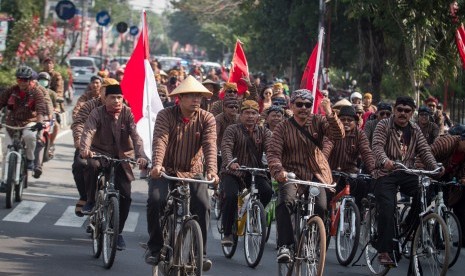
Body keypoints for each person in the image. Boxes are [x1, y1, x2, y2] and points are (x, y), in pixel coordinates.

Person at [145, 76, 219, 271]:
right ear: (180, 97)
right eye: (191, 96)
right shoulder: (165, 115)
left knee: (203, 204)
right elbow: (160, 140)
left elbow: (210, 146)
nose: (196, 100)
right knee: (156, 200)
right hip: (165, 171)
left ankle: (200, 253)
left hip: (193, 172)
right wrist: (157, 165)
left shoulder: (207, 118)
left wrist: (212, 170)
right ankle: (154, 247)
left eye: (199, 96)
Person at [266, 89, 344, 262]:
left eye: (308, 105)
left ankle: (313, 241)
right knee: (285, 201)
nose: (303, 108)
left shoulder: (318, 121)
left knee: (321, 205)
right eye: (299, 104)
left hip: (317, 173)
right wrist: (280, 171)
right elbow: (273, 153)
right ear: (291, 105)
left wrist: (330, 113)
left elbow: (338, 135)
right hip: (292, 174)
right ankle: (285, 246)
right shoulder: (282, 127)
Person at [372, 96, 443, 265]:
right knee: (388, 206)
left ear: (412, 113)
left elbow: (425, 151)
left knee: (424, 192)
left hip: (407, 172)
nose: (403, 113)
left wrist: (435, 167)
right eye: (400, 110)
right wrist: (385, 161)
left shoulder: (415, 129)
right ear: (394, 110)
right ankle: (384, 250)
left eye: (407, 111)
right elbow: (377, 146)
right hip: (385, 173)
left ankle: (408, 225)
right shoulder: (384, 125)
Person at [80, 83, 148, 250]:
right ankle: (90, 200)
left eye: (119, 97)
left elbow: (136, 136)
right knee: (90, 166)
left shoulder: (127, 113)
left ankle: (117, 233)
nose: (117, 100)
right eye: (113, 97)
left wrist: (141, 155)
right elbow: (88, 131)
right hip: (100, 154)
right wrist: (85, 149)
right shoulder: (97, 112)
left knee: (126, 196)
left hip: (122, 158)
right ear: (105, 98)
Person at [220, 100, 273, 246]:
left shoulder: (264, 132)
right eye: (247, 113)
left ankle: (255, 215)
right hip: (233, 171)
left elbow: (271, 150)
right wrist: (231, 162)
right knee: (230, 196)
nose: (250, 116)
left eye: (253, 113)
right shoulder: (232, 129)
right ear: (240, 114)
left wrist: (274, 164)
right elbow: (226, 147)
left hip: (255, 171)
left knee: (267, 191)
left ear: (258, 116)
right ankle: (228, 232)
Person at [71, 78, 114, 216]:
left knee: (123, 179)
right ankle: (86, 197)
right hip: (90, 147)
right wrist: (80, 143)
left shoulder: (123, 109)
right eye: (107, 91)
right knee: (79, 165)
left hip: (113, 150)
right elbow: (79, 123)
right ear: (101, 91)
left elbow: (133, 132)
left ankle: (115, 222)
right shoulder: (90, 105)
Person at [0, 66, 47, 174]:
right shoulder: (11, 90)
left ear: (30, 80)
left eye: (25, 80)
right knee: (6, 151)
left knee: (29, 136)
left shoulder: (37, 92)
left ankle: (30, 159)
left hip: (29, 122)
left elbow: (40, 109)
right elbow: (1, 102)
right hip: (11, 123)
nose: (22, 82)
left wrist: (39, 122)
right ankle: (4, 181)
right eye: (19, 79)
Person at [327, 106, 375, 208]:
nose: (346, 122)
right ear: (338, 120)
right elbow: (326, 148)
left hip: (350, 174)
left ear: (356, 122)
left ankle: (357, 214)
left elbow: (366, 152)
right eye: (343, 119)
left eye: (350, 120)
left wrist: (373, 170)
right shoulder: (332, 131)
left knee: (362, 185)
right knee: (325, 201)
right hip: (331, 173)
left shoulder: (360, 134)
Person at [431, 126, 465, 246]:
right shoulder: (445, 143)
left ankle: (439, 237)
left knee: (443, 205)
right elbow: (427, 154)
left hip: (447, 175)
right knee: (422, 200)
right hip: (431, 171)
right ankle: (412, 226)